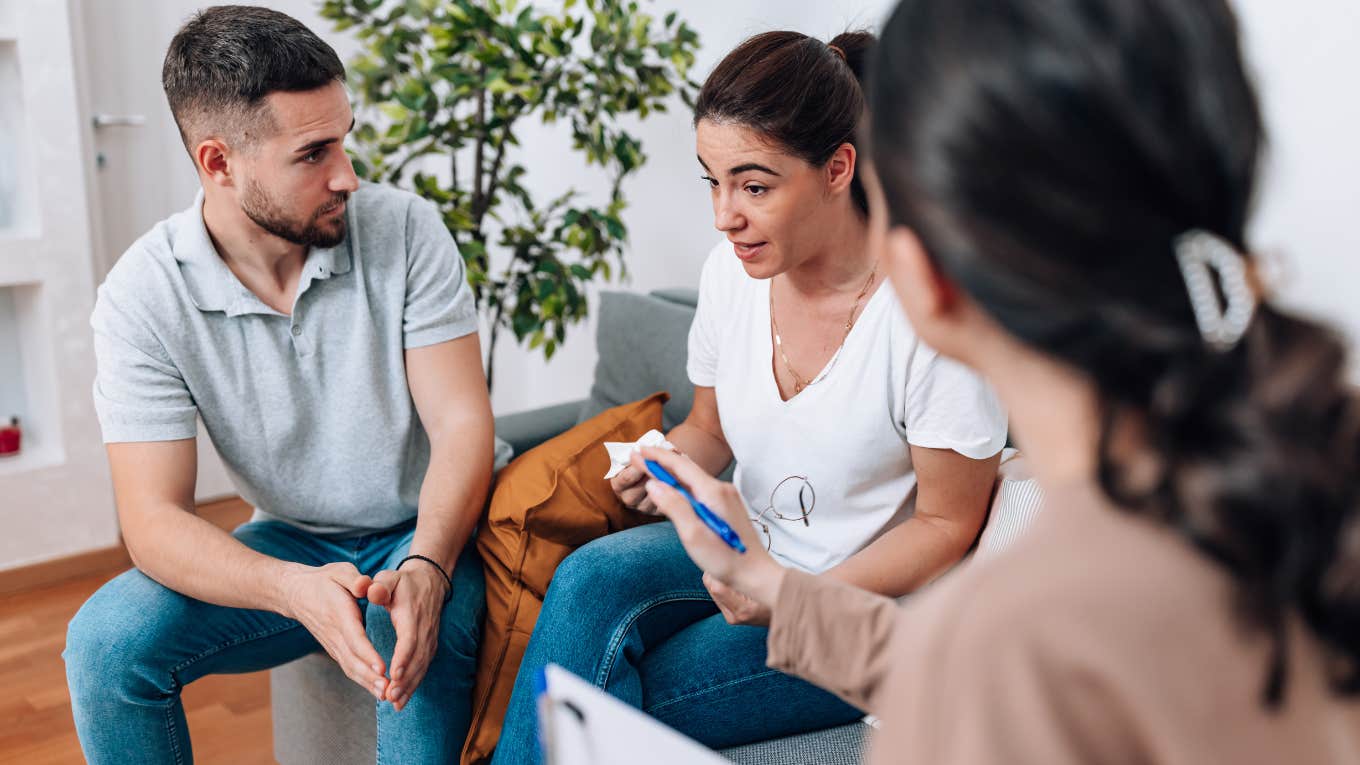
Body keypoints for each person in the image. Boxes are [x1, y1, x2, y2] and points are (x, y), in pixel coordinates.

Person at [639, 0, 1360, 761]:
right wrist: (781, 587)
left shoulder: (1008, 643)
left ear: (925, 265)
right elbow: (962, 666)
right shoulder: (1300, 487)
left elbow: (985, 667)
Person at [492, 31, 1007, 762]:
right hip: (739, 549)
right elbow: (709, 428)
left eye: (754, 185)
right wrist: (664, 467)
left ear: (838, 168)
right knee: (586, 578)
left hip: (853, 607)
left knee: (612, 686)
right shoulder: (731, 274)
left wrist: (790, 597)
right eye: (712, 180)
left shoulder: (925, 314)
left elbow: (948, 524)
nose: (723, 215)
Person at [62, 7, 493, 763]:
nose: (347, 175)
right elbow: (153, 520)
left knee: (412, 644)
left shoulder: (405, 230)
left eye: (346, 138)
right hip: (292, 540)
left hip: (423, 530)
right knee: (103, 645)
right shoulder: (141, 296)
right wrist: (290, 587)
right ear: (219, 162)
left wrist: (427, 564)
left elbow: (462, 423)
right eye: (313, 152)